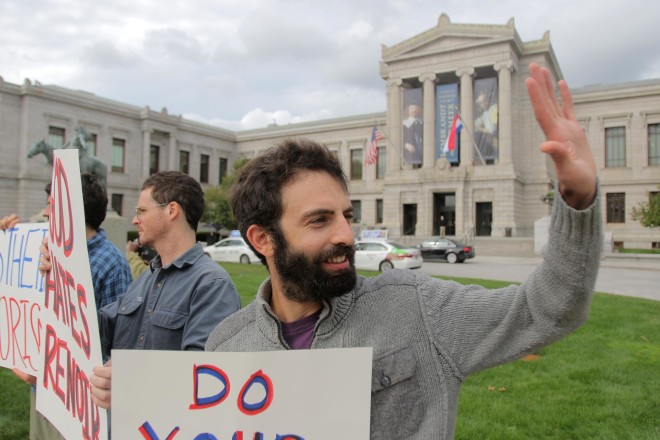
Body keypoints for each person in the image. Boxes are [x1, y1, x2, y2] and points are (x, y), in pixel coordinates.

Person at [204, 63, 601, 439]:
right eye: (320, 220)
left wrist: (578, 198)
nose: (347, 234)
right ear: (262, 239)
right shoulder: (226, 348)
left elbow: (547, 309)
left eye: (347, 214)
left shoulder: (413, 307)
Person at [68, 171, 241, 409]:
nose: (134, 220)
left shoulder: (212, 285)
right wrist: (58, 271)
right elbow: (93, 328)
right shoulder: (145, 280)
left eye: (141, 211)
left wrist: (129, 386)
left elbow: (205, 379)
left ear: (171, 211)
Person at [9, 174, 132, 440]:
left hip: (79, 405)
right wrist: (6, 239)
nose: (44, 212)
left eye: (51, 205)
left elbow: (117, 342)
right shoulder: (47, 251)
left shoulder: (111, 264)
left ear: (70, 210)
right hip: (42, 391)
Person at [474, 90, 499, 161]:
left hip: (495, 142)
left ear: (488, 99)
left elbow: (491, 130)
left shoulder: (494, 109)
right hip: (488, 143)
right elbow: (476, 123)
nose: (483, 104)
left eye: (485, 101)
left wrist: (479, 129)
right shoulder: (485, 114)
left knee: (496, 158)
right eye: (481, 103)